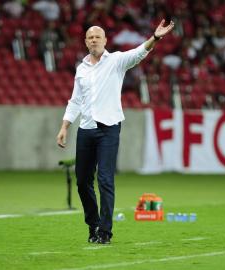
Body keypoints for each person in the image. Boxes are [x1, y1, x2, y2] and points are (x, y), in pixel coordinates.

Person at [56, 19, 175, 244]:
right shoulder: (81, 68)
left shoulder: (116, 61)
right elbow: (75, 101)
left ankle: (105, 231)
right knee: (82, 181)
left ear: (105, 41)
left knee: (105, 179)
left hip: (109, 128)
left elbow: (139, 53)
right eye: (90, 37)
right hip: (86, 129)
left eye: (97, 37)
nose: (93, 40)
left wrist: (155, 37)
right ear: (85, 41)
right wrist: (64, 126)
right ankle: (93, 225)